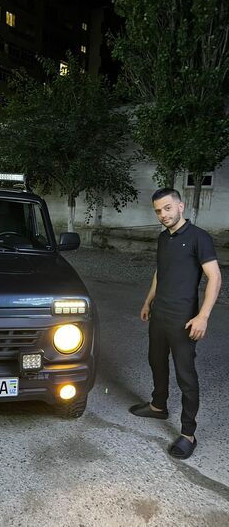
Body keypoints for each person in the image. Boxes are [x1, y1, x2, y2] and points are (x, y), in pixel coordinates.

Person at [129, 188, 221, 460]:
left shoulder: (199, 237)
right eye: (158, 210)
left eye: (167, 208)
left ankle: (188, 434)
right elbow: (160, 272)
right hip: (160, 314)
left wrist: (203, 316)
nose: (163, 214)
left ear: (180, 206)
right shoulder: (163, 238)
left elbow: (215, 278)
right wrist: (148, 301)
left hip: (184, 319)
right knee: (156, 361)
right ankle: (158, 406)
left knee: (186, 376)